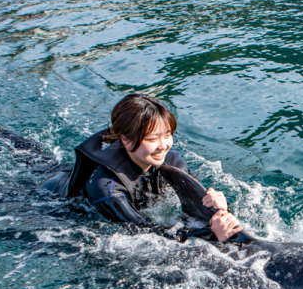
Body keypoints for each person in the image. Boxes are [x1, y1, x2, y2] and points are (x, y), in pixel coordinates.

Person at [40, 94, 243, 242]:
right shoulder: (107, 189)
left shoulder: (173, 163)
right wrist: (211, 235)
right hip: (48, 202)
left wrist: (219, 209)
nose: (163, 145)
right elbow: (149, 236)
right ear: (126, 141)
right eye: (153, 139)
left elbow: (195, 213)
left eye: (167, 135)